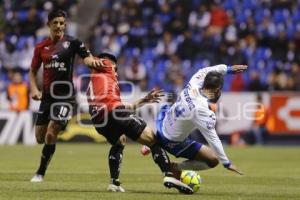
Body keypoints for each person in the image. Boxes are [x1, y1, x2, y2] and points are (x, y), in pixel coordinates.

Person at [87, 52, 194, 194]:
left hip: (99, 120)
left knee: (119, 141)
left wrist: (144, 100)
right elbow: (88, 59)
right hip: (113, 112)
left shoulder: (97, 83)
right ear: (109, 64)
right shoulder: (105, 65)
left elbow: (121, 107)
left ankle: (114, 183)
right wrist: (79, 48)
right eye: (115, 68)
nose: (116, 72)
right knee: (153, 140)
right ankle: (168, 175)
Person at [30, 10, 103, 182]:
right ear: (49, 24)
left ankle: (40, 172)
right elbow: (32, 71)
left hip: (65, 96)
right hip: (47, 97)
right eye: (55, 23)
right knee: (39, 137)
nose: (59, 26)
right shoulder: (41, 47)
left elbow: (87, 58)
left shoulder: (73, 43)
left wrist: (95, 63)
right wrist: (34, 89)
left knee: (50, 132)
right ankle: (59, 124)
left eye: (62, 23)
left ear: (65, 24)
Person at [142, 64, 247, 176]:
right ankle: (175, 167)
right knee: (213, 160)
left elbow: (207, 70)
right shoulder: (202, 110)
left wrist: (228, 69)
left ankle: (153, 140)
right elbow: (213, 139)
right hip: (172, 142)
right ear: (217, 90)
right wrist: (227, 163)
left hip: (162, 121)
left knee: (168, 107)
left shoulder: (194, 82)